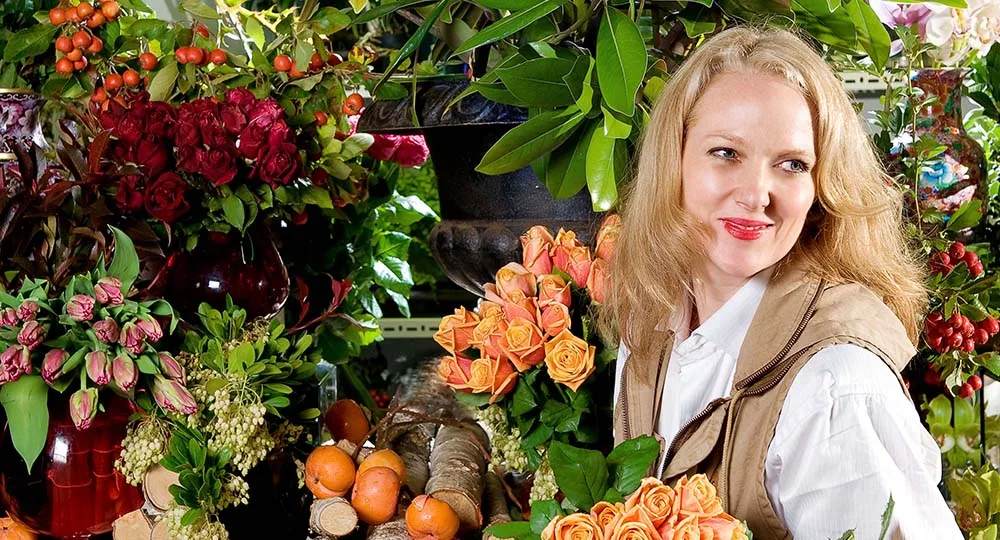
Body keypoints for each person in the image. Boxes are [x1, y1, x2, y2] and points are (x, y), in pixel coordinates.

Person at [601, 25, 963, 539]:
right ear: (673, 161)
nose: (756, 194)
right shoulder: (651, 323)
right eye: (726, 153)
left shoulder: (836, 388)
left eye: (792, 164)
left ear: (820, 189)